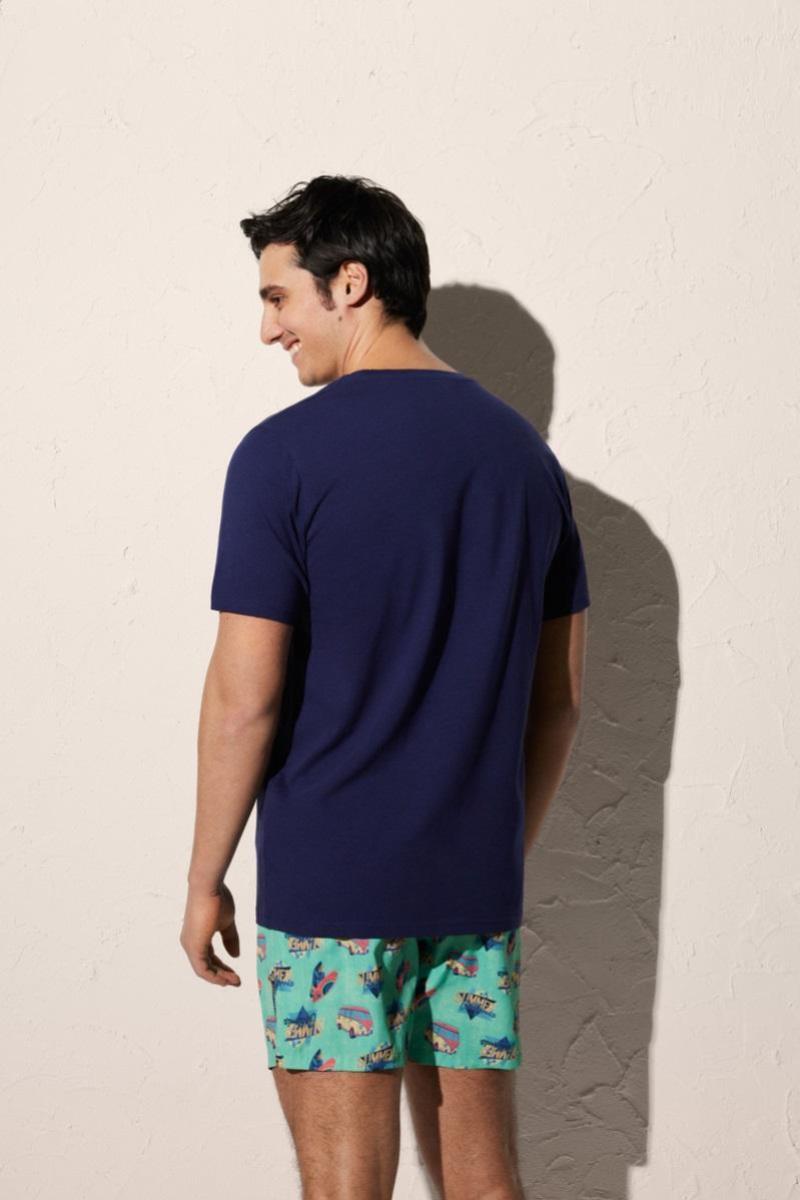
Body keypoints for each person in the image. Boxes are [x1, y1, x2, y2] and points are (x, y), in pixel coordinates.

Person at [180, 174, 590, 1200]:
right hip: (471, 886)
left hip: (332, 886)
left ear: (350, 283)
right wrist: (492, 850)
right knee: (484, 1185)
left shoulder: (282, 457)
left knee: (344, 1188)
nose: (268, 330)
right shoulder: (526, 463)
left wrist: (203, 877)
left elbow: (243, 700)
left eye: (278, 297)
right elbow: (560, 701)